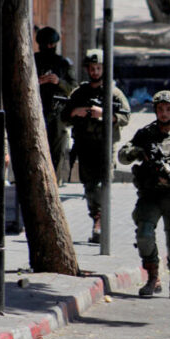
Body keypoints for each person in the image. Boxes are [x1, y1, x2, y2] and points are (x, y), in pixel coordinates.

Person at [118, 91, 170, 299]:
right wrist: (138, 152)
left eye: (168, 109)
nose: (164, 113)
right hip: (150, 194)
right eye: (160, 109)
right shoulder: (145, 134)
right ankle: (152, 278)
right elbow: (122, 155)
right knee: (144, 235)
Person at [62, 49, 130, 243]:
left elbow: (126, 116)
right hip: (85, 146)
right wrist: (77, 111)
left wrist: (105, 114)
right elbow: (64, 117)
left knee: (103, 183)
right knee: (90, 186)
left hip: (105, 145)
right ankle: (97, 218)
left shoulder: (113, 93)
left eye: (98, 68)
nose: (95, 72)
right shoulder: (80, 93)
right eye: (92, 68)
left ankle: (101, 221)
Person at [34, 27, 77, 186]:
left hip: (58, 113)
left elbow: (74, 89)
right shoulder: (32, 61)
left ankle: (54, 183)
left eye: (51, 44)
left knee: (57, 152)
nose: (49, 48)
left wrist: (58, 81)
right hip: (37, 112)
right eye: (45, 44)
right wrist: (37, 82)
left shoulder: (63, 64)